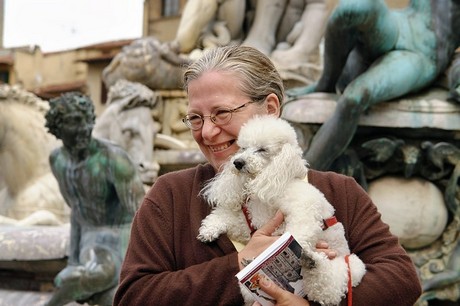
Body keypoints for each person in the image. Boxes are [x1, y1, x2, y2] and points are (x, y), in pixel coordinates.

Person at [114, 45, 422, 305]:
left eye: (222, 113)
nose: (207, 132)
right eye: (195, 118)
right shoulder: (171, 195)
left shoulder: (339, 190)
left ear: (270, 107)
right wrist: (241, 265)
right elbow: (133, 295)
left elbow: (402, 279)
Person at [287, 0, 460, 171]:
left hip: (423, 53)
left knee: (354, 98)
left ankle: (303, 179)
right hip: (400, 23)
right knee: (351, 9)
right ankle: (326, 83)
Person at [44, 92, 145, 306]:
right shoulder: (57, 161)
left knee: (98, 275)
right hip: (90, 241)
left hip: (122, 236)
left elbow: (141, 216)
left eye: (87, 121)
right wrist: (72, 259)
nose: (84, 129)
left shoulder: (114, 159)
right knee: (94, 280)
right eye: (74, 123)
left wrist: (139, 266)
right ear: (58, 128)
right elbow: (77, 213)